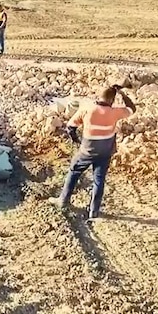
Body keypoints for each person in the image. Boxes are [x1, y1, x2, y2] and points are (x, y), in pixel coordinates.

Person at [50, 85, 137, 221]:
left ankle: (63, 200)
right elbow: (132, 108)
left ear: (98, 97)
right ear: (112, 100)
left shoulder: (87, 109)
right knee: (99, 179)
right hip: (105, 151)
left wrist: (76, 140)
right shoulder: (115, 112)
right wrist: (122, 94)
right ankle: (94, 211)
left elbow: (70, 127)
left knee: (74, 171)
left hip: (87, 150)